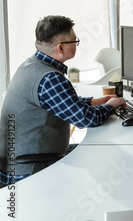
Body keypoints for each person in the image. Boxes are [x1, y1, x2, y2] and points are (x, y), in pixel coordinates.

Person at [0, 15, 126, 186]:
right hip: (30, 170)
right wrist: (110, 107)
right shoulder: (50, 78)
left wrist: (92, 102)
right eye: (75, 41)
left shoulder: (31, 65)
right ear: (60, 48)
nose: (76, 44)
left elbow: (56, 101)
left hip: (18, 163)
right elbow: (86, 119)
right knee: (103, 160)